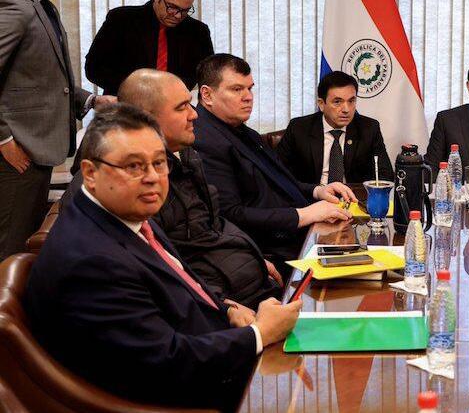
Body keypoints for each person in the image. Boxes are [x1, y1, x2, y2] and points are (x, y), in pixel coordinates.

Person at [24, 105, 300, 410]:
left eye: (159, 163)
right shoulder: (91, 262)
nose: (153, 178)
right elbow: (165, 362)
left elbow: (179, 285)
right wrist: (259, 334)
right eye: (134, 166)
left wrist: (227, 310)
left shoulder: (127, 214)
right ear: (90, 173)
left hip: (215, 349)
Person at [62, 70, 282, 307]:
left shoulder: (186, 154)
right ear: (145, 118)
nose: (194, 114)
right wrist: (224, 309)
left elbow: (211, 225)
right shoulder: (118, 185)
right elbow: (156, 270)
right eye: (181, 107)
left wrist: (254, 258)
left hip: (242, 285)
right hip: (213, 303)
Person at [0, 0, 114, 259]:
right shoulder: (13, 4)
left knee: (27, 240)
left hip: (38, 145)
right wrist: (4, 139)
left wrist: (92, 100)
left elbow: (46, 79)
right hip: (19, 147)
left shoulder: (42, 3)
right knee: (11, 245)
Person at [192, 53, 354, 271]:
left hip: (299, 235)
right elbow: (230, 215)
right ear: (207, 95)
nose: (248, 97)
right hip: (272, 251)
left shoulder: (242, 131)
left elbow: (279, 182)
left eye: (250, 88)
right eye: (237, 89)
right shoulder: (205, 140)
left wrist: (317, 191)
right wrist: (304, 215)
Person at [85, 0, 214, 95]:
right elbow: (94, 68)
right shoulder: (121, 20)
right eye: (172, 7)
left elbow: (208, 76)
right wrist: (137, 92)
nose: (178, 15)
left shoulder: (198, 31)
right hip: (124, 104)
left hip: (174, 105)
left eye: (185, 10)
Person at [277, 70, 393, 185]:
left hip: (354, 195)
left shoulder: (369, 129)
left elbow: (385, 176)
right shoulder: (298, 128)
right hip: (312, 194)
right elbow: (278, 173)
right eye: (337, 102)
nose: (346, 109)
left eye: (351, 101)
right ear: (321, 104)